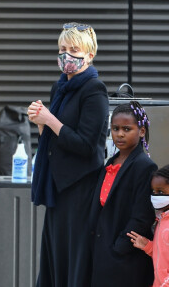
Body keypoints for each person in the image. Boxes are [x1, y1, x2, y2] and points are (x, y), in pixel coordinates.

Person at [27, 22, 109, 287]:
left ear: (90, 55)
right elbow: (54, 143)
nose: (67, 55)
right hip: (58, 186)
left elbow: (87, 146)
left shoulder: (94, 90)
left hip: (80, 187)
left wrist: (49, 119)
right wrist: (42, 124)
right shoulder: (60, 87)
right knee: (55, 256)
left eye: (74, 49)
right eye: (63, 48)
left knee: (73, 256)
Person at [89, 101, 158, 287]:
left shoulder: (145, 166)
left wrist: (119, 247)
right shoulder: (110, 163)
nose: (119, 134)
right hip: (102, 255)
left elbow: (142, 216)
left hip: (126, 260)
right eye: (115, 128)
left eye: (127, 129)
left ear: (141, 131)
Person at [127, 155, 169, 287]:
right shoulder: (162, 219)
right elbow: (165, 253)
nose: (155, 195)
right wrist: (147, 246)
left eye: (160, 192)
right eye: (153, 191)